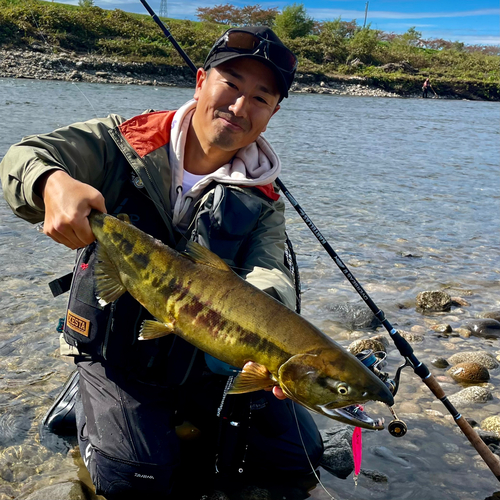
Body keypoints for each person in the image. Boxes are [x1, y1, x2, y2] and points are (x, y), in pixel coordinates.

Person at [0, 27, 323, 499]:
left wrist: (272, 337)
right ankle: (87, 396)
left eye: (260, 97)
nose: (239, 107)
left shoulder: (264, 201)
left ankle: (180, 414)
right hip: (115, 352)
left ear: (273, 113)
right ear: (200, 82)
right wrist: (50, 183)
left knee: (295, 458)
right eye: (230, 84)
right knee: (137, 480)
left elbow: (270, 270)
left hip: (199, 359)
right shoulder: (119, 144)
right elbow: (21, 157)